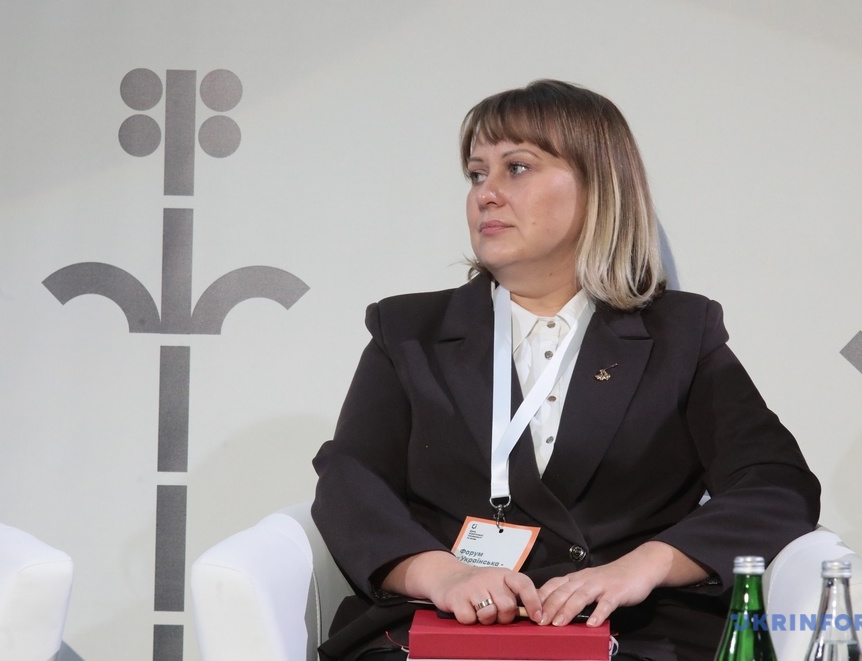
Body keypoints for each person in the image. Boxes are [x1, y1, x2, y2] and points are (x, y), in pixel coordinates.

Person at [312, 79, 820, 661]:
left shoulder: (680, 333)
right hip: (443, 631)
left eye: (517, 168)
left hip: (631, 634)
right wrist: (442, 575)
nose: (486, 195)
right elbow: (351, 484)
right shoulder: (408, 330)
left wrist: (643, 566)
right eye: (477, 174)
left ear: (598, 187)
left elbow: (775, 485)